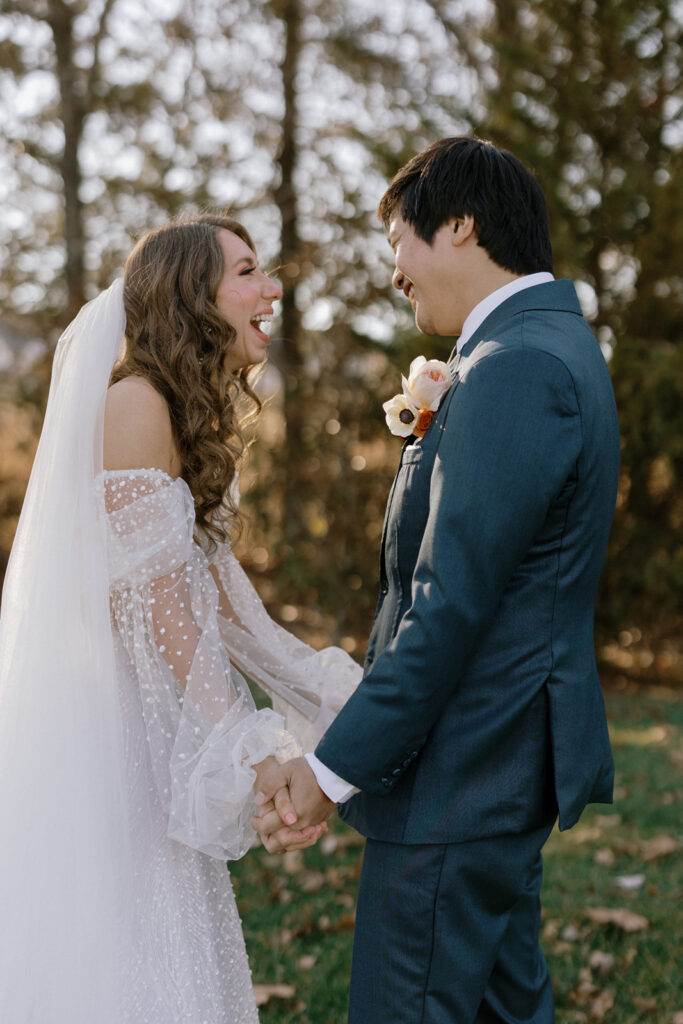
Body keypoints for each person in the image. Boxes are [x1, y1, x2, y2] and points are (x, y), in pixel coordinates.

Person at [253, 137, 620, 1023]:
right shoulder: (540, 345)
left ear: (458, 225)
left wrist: (331, 771)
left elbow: (447, 608)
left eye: (398, 246)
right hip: (493, 775)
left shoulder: (516, 367)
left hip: (460, 776)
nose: (394, 275)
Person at [0, 213, 361, 1023]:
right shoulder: (133, 404)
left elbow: (224, 604)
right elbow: (160, 612)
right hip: (114, 735)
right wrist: (253, 747)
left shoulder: (181, 414)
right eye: (246, 272)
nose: (270, 289)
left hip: (154, 724)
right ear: (191, 296)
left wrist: (326, 691)